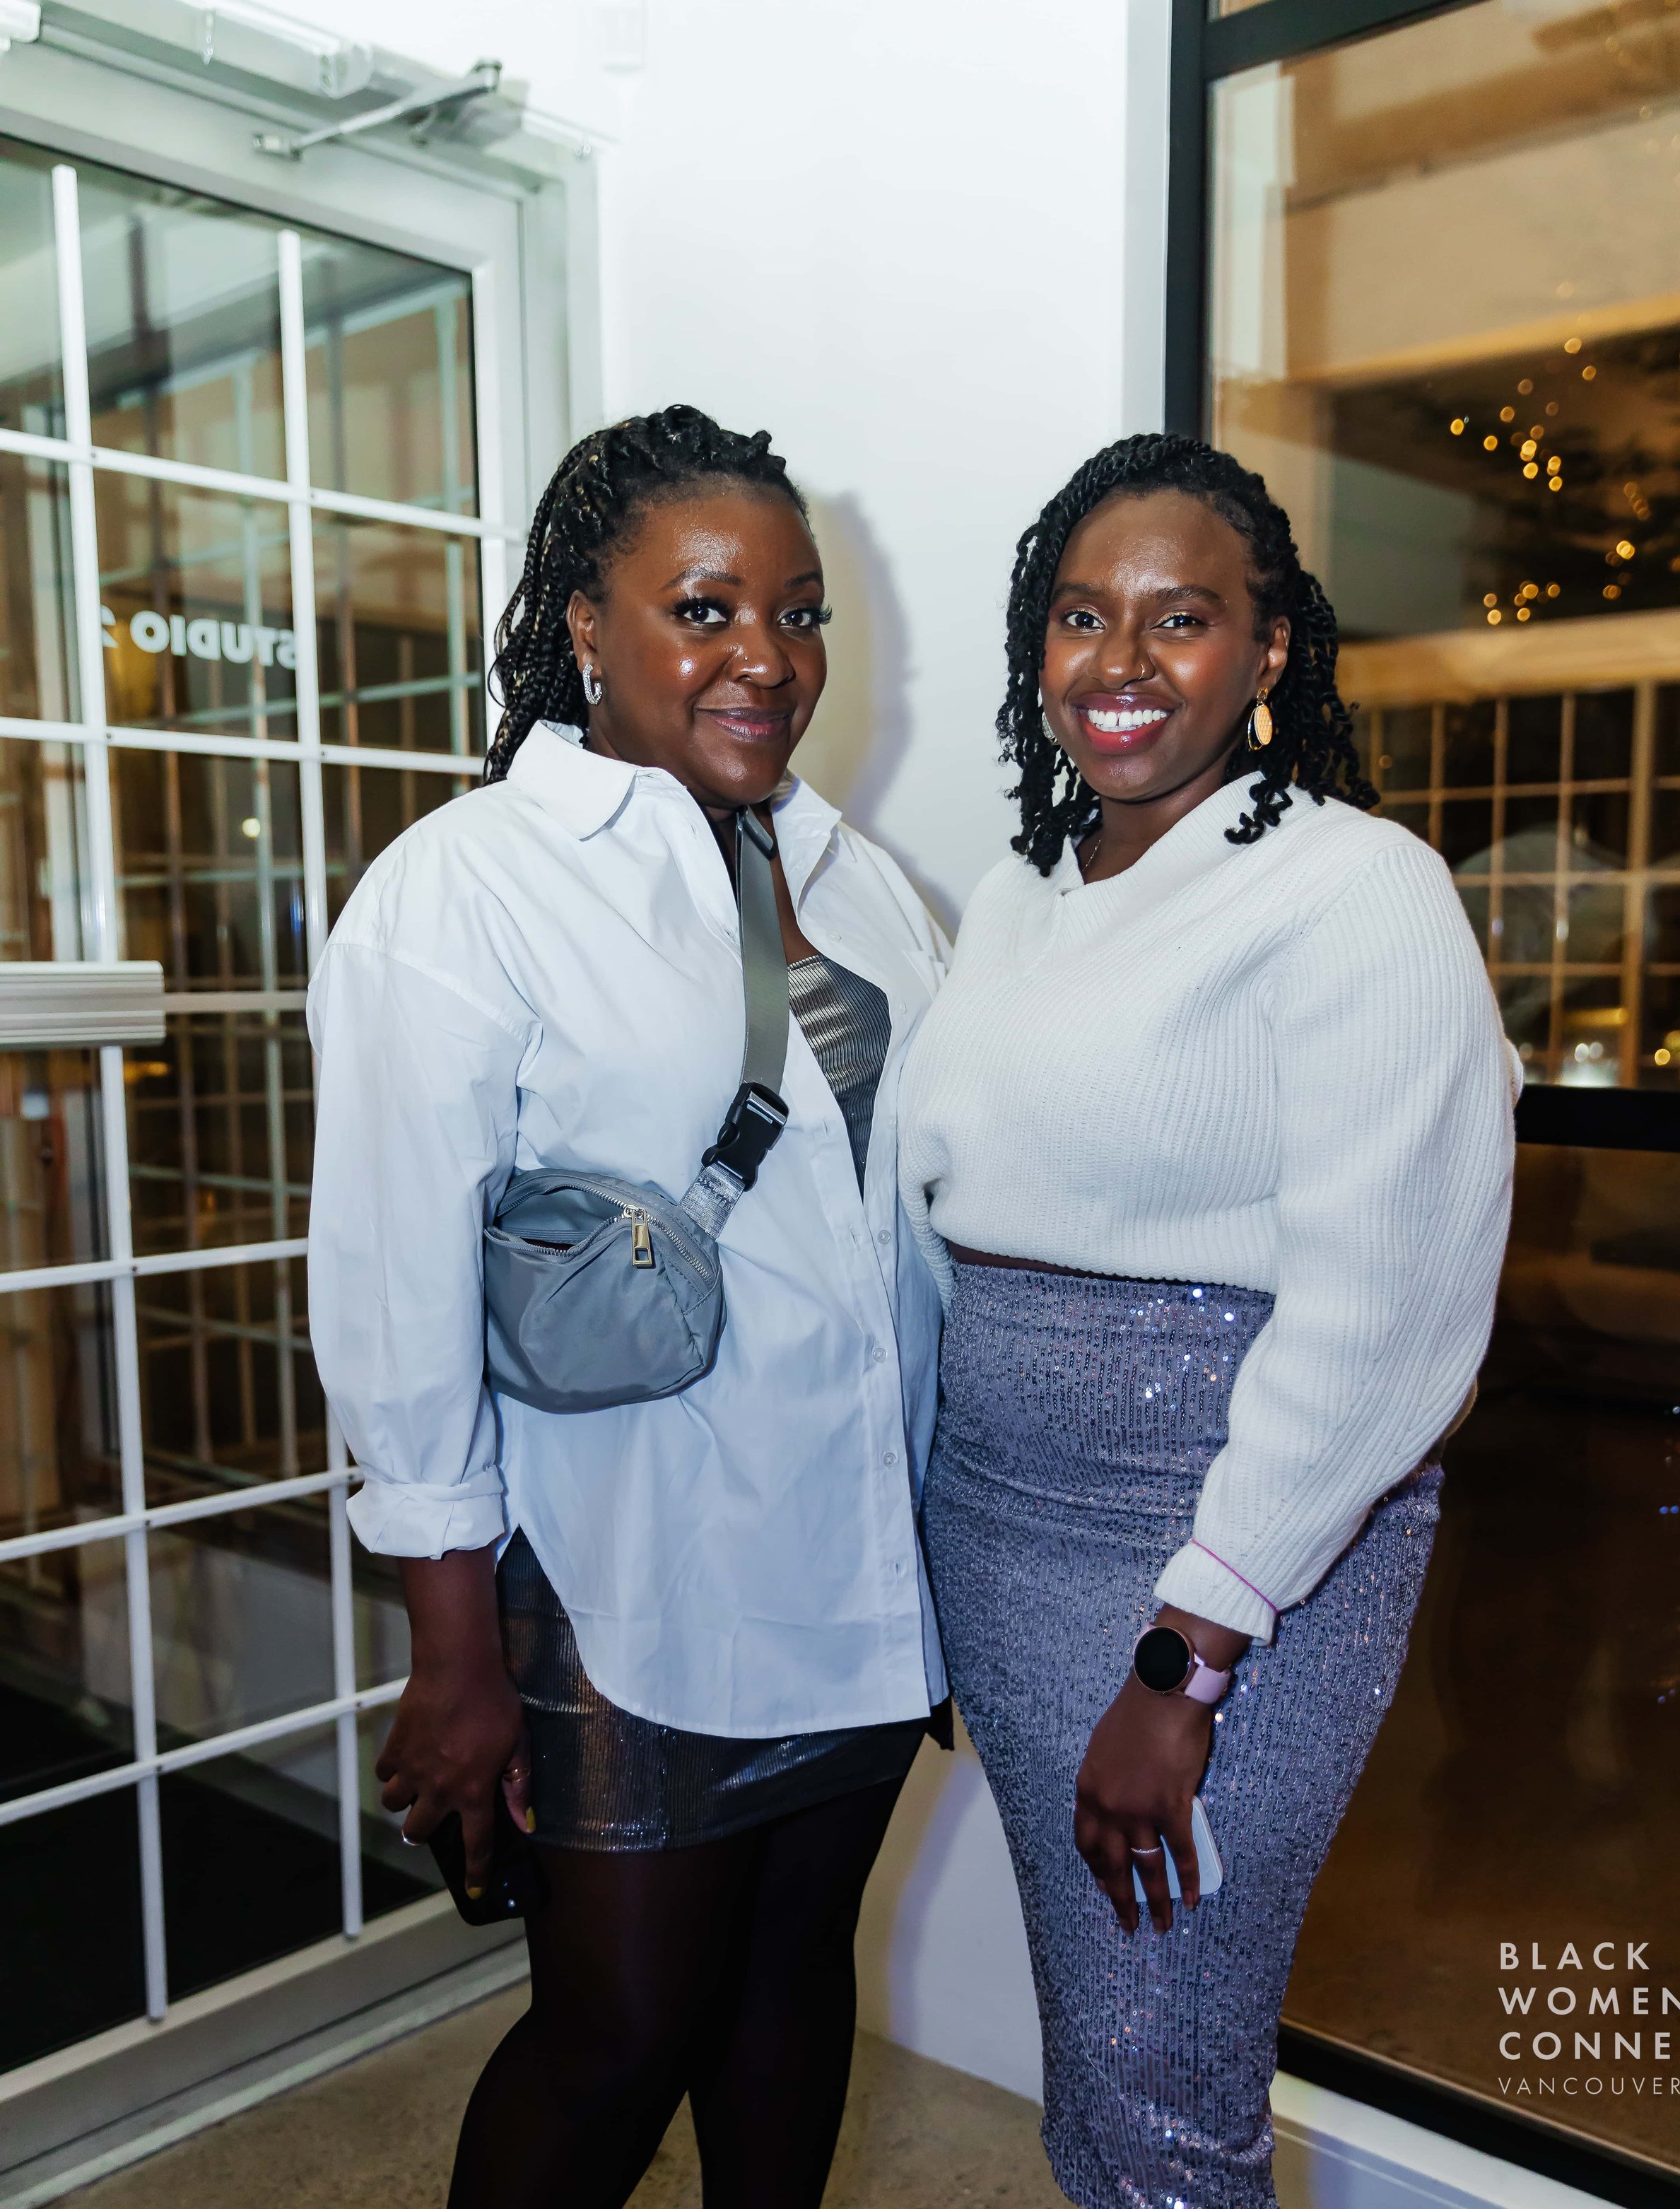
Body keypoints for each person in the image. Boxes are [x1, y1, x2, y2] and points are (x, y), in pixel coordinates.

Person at [305, 406, 948, 2209]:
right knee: (618, 2031)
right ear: (589, 625)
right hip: (624, 1567)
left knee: (790, 1979)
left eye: (798, 613)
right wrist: (453, 1649)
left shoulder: (857, 880)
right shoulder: (469, 886)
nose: (767, 658)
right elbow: (393, 1279)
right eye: (706, 609)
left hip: (855, 1551)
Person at [898, 434, 1517, 2209]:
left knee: (1163, 2084)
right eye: (1079, 614)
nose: (1119, 659)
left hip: (1230, 1558)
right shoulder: (1017, 897)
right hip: (1000, 1533)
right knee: (1106, 2051)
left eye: (1179, 618)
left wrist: (1188, 1656)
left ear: (1266, 652)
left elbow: (1386, 1308)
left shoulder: (1352, 887)